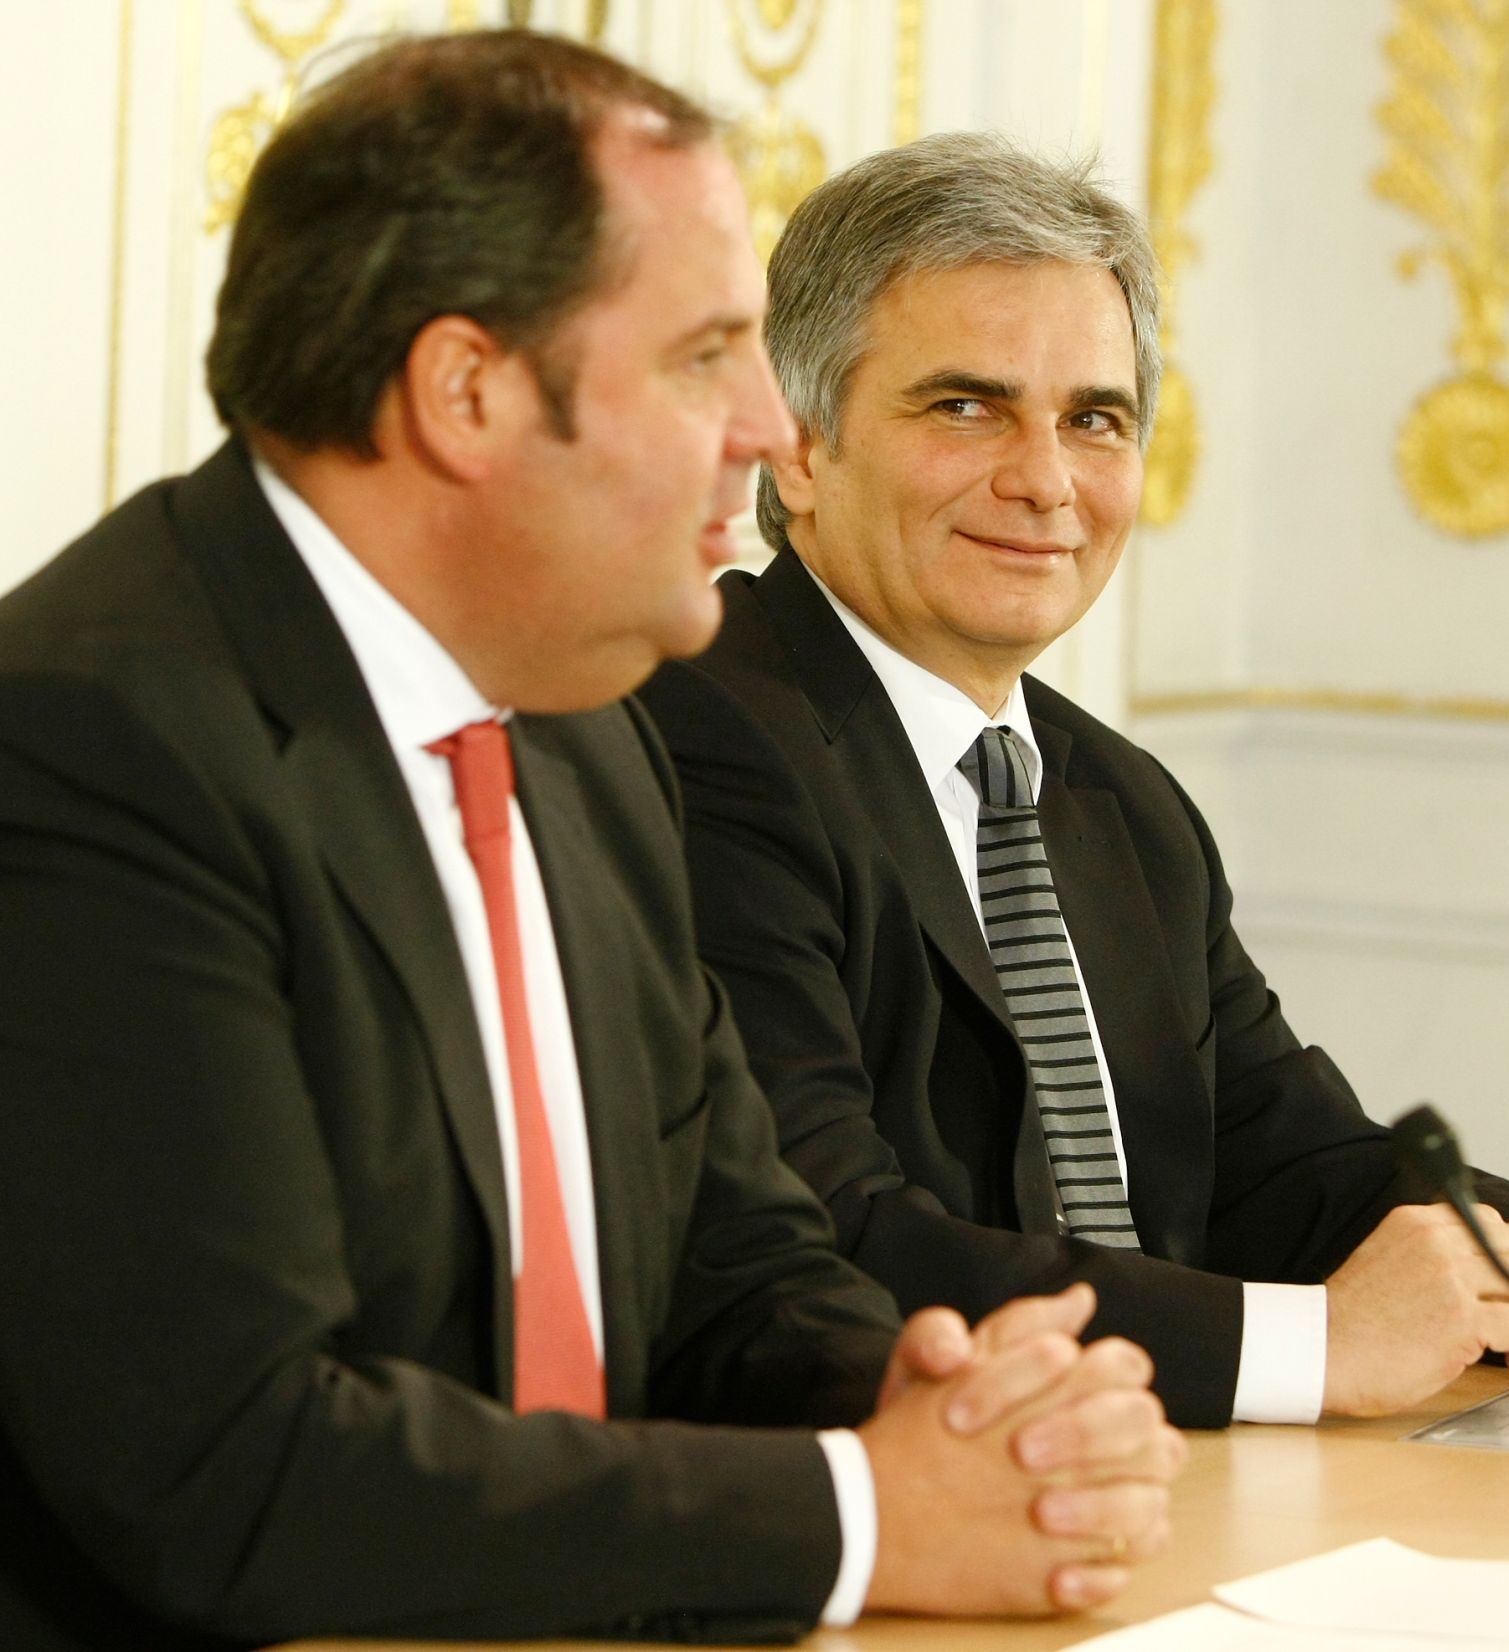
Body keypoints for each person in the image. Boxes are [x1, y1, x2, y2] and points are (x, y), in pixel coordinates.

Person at [0, 41, 1184, 1652]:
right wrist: (863, 1511)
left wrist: (936, 1405)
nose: (766, 425)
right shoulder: (90, 747)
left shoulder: (587, 725)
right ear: (467, 393)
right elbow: (235, 1469)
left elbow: (735, 1257)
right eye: (704, 358)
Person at [636, 132, 1509, 1432]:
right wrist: (1315, 1346)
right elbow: (825, 1238)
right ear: (800, 450)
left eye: (1094, 420)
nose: (1045, 480)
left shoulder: (1120, 799)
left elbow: (1280, 1161)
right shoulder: (701, 738)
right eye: (965, 407)